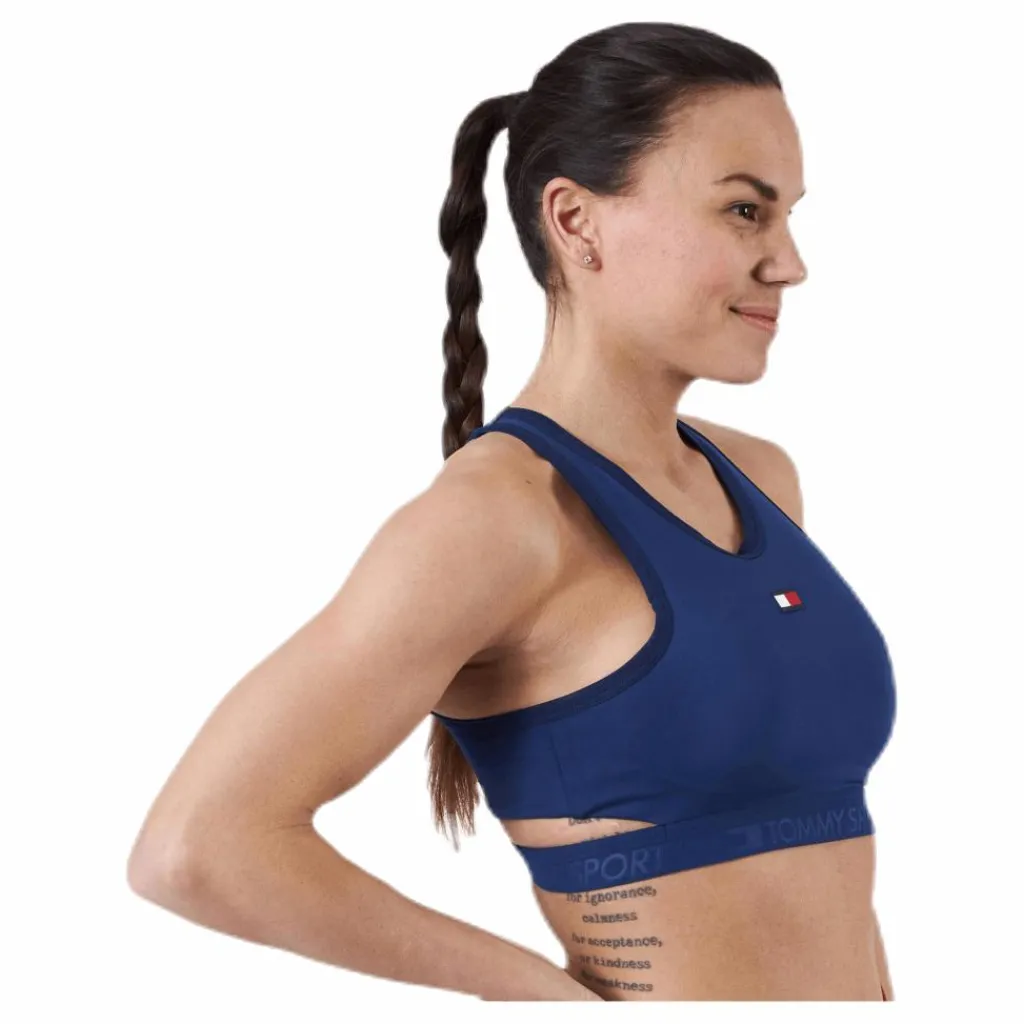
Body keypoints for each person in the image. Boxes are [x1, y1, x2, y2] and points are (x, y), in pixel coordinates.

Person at [127, 21, 896, 1002]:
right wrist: (542, 997)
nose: (788, 263)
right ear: (575, 222)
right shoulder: (497, 520)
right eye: (744, 211)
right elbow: (197, 846)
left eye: (786, 215)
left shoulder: (761, 480)